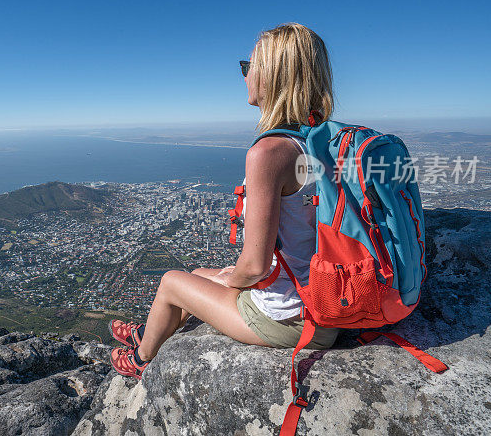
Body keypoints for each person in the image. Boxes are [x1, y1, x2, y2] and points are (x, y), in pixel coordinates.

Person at [109, 23, 340, 379]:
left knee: (172, 281)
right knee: (201, 274)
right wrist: (230, 276)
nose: (245, 76)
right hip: (326, 298)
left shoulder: (270, 152)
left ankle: (141, 360)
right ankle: (148, 330)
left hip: (291, 318)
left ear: (273, 75)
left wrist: (238, 276)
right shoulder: (325, 143)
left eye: (248, 67)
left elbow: (255, 267)